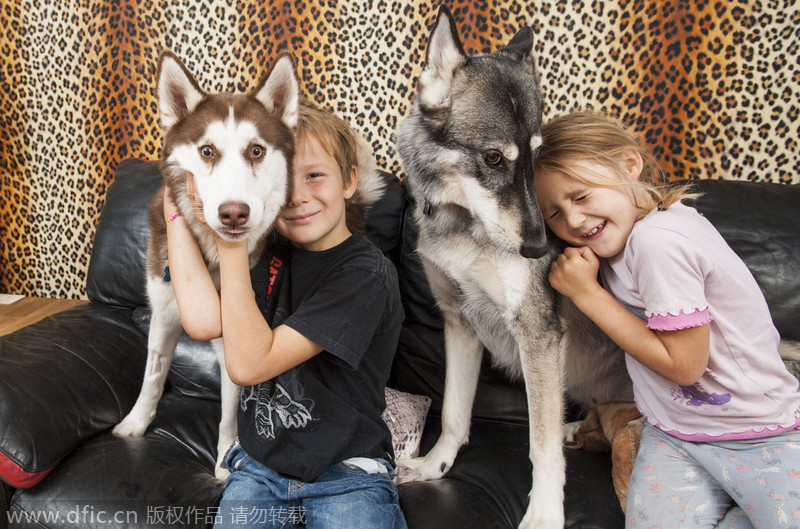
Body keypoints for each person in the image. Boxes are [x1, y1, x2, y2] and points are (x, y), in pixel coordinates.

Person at [533, 111, 800, 528]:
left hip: (760, 435)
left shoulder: (658, 242)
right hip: (674, 436)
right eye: (553, 213)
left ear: (629, 165)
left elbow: (685, 366)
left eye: (581, 196)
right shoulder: (614, 243)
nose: (573, 221)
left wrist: (587, 294)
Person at [164, 103, 406, 529]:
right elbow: (202, 321)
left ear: (349, 180)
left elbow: (249, 364)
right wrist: (175, 201)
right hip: (259, 468)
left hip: (348, 475)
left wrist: (232, 242)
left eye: (314, 175)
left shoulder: (367, 274)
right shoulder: (267, 250)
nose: (296, 195)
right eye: (281, 178)